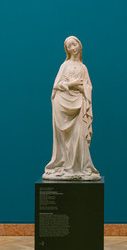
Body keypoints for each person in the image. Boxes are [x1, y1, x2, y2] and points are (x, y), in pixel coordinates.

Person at [43, 36, 100, 180]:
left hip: (79, 104)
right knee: (63, 138)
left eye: (74, 45)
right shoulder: (65, 65)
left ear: (79, 45)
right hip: (62, 104)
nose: (72, 48)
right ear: (67, 50)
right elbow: (56, 85)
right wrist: (72, 84)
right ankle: (64, 166)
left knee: (79, 136)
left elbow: (88, 87)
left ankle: (77, 168)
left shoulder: (83, 68)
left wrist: (80, 87)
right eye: (69, 47)